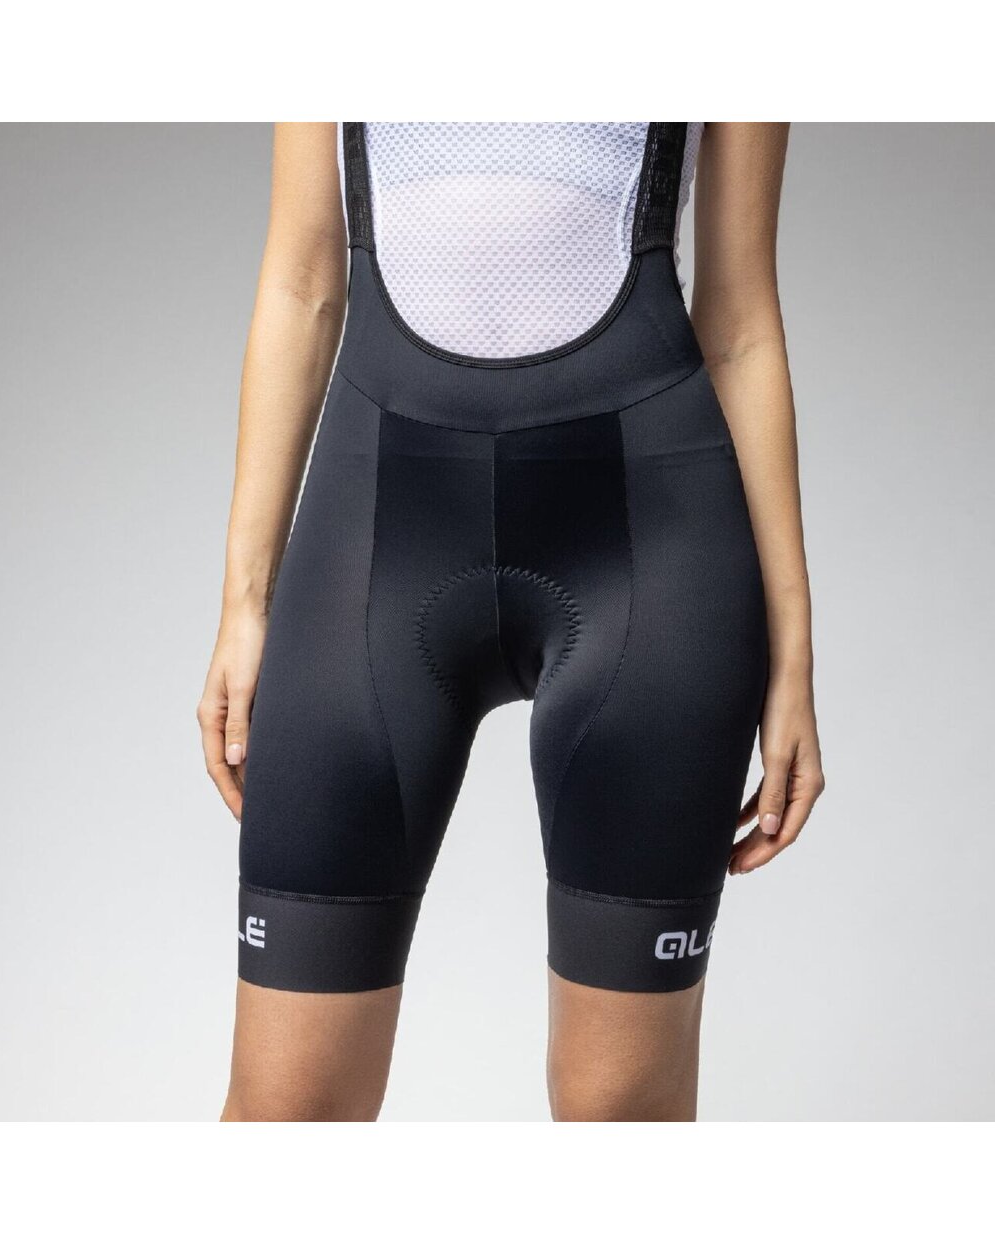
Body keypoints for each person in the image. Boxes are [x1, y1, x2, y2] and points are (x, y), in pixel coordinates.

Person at [198, 122, 825, 1122]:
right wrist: (245, 602)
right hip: (379, 535)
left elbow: (741, 318)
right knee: (284, 1110)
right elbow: (302, 281)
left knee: (619, 1113)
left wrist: (792, 652)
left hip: (650, 541)